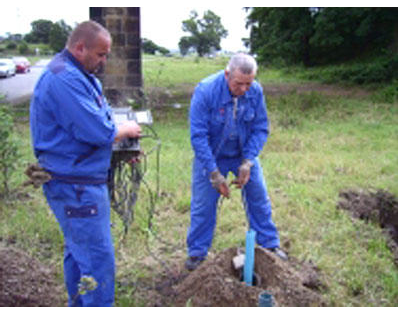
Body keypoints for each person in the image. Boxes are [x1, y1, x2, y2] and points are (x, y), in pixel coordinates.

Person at [30, 21, 141, 307]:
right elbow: (99, 131)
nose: (104, 62)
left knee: (78, 253)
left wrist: (119, 148)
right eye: (101, 55)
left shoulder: (80, 74)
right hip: (75, 185)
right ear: (80, 48)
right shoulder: (63, 79)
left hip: (78, 179)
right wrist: (125, 131)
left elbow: (97, 122)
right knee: (97, 259)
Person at [186, 53, 287, 271]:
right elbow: (198, 136)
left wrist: (248, 161)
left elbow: (261, 128)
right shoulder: (205, 91)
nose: (243, 90)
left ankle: (269, 245)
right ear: (226, 74)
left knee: (259, 197)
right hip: (212, 156)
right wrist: (213, 172)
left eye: (248, 84)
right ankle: (197, 254)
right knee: (203, 205)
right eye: (238, 84)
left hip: (242, 154)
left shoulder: (255, 91)